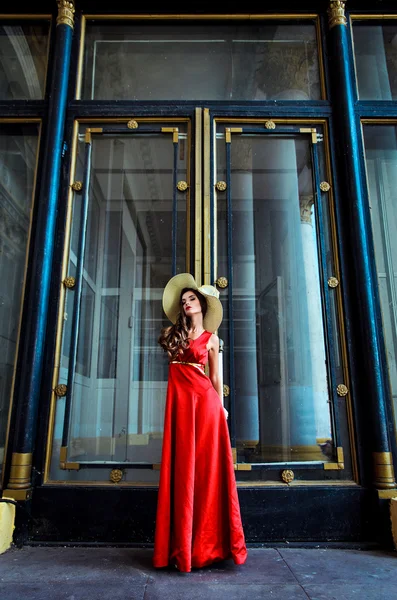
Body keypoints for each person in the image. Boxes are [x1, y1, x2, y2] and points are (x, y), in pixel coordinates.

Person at [153, 272, 248, 573]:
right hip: (181, 406)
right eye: (183, 301)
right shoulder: (174, 333)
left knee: (206, 470)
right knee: (182, 467)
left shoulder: (212, 339)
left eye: (191, 299)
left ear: (203, 305)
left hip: (205, 404)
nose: (187, 303)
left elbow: (216, 377)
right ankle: (180, 545)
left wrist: (221, 407)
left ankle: (207, 545)